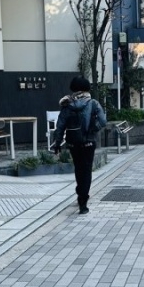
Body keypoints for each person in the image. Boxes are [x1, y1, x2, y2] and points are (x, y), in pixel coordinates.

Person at [52, 76, 107, 214]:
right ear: (87, 88)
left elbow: (60, 127)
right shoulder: (93, 103)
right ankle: (83, 202)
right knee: (86, 170)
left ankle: (79, 192)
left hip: (73, 143)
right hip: (88, 142)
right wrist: (92, 130)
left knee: (78, 168)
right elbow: (103, 121)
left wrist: (57, 144)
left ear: (73, 88)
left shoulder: (66, 105)